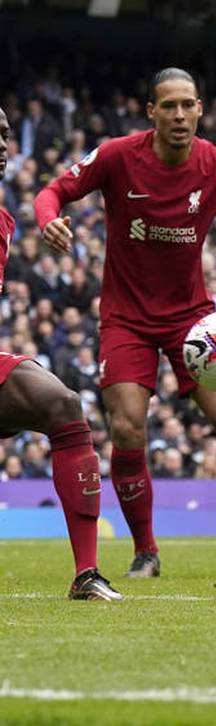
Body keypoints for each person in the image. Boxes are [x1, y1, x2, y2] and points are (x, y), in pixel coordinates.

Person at [34, 68, 216, 578]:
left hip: (191, 320)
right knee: (128, 427)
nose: (179, 115)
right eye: (168, 106)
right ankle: (146, 551)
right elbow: (52, 192)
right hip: (125, 318)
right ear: (151, 111)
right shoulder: (115, 155)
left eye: (188, 105)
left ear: (200, 110)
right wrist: (49, 221)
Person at [0, 107, 119, 601]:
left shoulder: (4, 219)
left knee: (64, 405)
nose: (3, 145)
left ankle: (86, 574)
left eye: (5, 135)